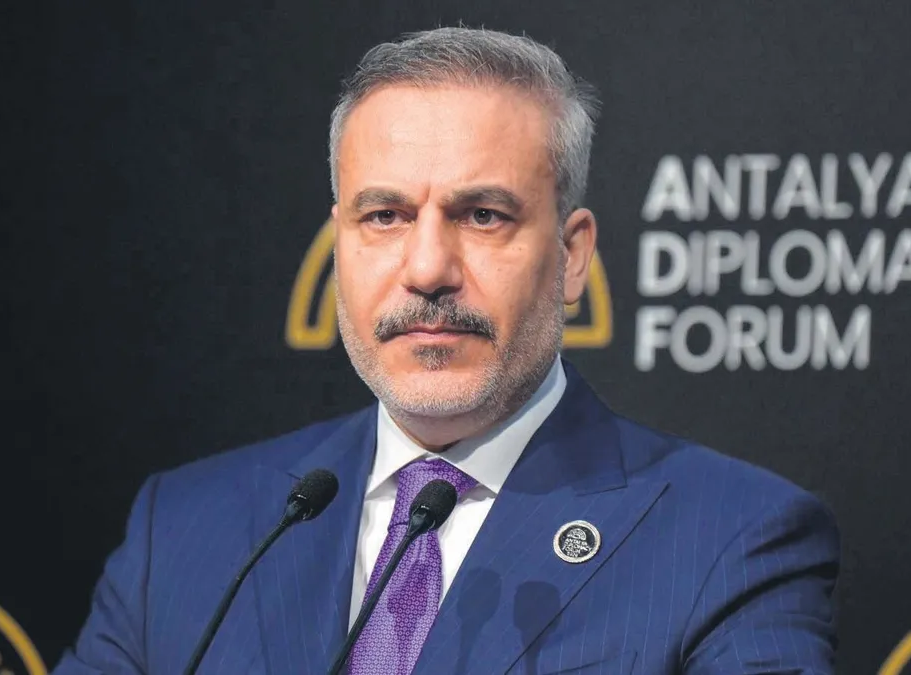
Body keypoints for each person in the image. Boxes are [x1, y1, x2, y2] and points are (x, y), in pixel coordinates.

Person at [52, 27, 839, 675]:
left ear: (571, 256)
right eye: (385, 216)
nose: (428, 268)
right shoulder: (184, 530)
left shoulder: (733, 539)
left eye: (484, 215)